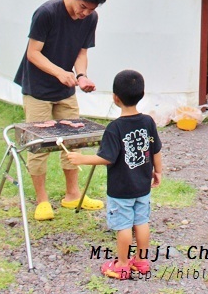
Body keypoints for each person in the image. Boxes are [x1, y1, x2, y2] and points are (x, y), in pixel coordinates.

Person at [14, 0, 108, 221]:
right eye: (82, 7)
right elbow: (33, 53)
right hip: (37, 89)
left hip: (65, 90)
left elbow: (81, 52)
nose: (85, 13)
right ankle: (42, 200)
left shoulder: (91, 18)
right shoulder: (47, 12)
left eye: (91, 9)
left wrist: (82, 75)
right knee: (39, 146)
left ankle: (72, 194)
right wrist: (59, 72)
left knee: (72, 141)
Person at [68, 69, 163, 280]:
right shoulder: (148, 122)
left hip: (121, 189)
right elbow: (155, 149)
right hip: (142, 186)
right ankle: (141, 261)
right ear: (142, 95)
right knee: (142, 222)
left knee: (123, 226)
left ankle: (121, 265)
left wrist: (81, 158)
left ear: (115, 98)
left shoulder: (114, 128)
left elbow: (107, 158)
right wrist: (158, 171)